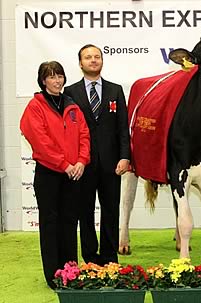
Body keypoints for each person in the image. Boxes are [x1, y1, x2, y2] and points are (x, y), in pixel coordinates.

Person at [20, 61, 90, 288]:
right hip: (49, 174)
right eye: (51, 77)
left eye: (59, 76)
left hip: (73, 174)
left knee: (70, 222)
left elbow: (84, 135)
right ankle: (54, 274)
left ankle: (70, 269)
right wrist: (64, 164)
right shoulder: (35, 106)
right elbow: (40, 140)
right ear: (43, 80)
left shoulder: (73, 106)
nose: (57, 80)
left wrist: (81, 161)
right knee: (50, 224)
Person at [64, 44, 130, 265]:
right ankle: (91, 256)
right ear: (80, 63)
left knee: (111, 210)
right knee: (85, 211)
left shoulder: (115, 90)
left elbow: (123, 128)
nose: (93, 60)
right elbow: (68, 130)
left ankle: (110, 257)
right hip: (83, 163)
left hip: (112, 163)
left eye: (97, 57)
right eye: (88, 57)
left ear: (102, 61)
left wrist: (125, 157)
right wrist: (73, 160)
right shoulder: (70, 92)